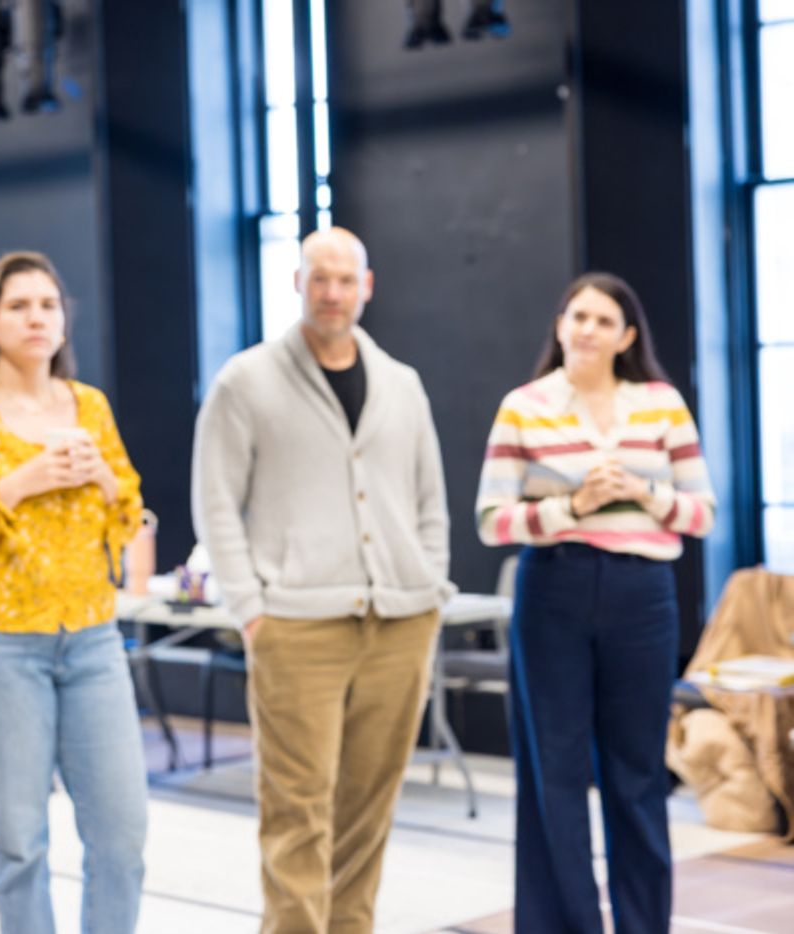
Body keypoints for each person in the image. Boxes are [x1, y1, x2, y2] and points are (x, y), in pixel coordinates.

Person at [191, 227, 453, 933]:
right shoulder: (245, 380)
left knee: (369, 812)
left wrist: (427, 586)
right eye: (319, 278)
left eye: (345, 279)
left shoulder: (403, 383)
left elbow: (431, 501)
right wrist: (251, 610)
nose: (332, 292)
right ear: (296, 284)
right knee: (298, 814)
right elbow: (216, 502)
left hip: (402, 623)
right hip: (295, 627)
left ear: (367, 285)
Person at [476, 271, 715, 933]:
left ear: (626, 336)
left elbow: (701, 513)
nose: (587, 329)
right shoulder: (524, 405)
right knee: (552, 773)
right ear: (560, 325)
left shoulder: (661, 404)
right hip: (554, 587)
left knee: (637, 772)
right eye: (577, 316)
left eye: (603, 321)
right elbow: (491, 521)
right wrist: (570, 507)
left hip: (643, 597)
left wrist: (644, 493)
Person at [0, 251, 148, 934]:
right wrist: (21, 483)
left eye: (49, 305)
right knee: (20, 845)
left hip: (91, 643)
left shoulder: (90, 407)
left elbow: (128, 512)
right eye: (19, 306)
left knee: (122, 841)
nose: (37, 317)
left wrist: (104, 481)